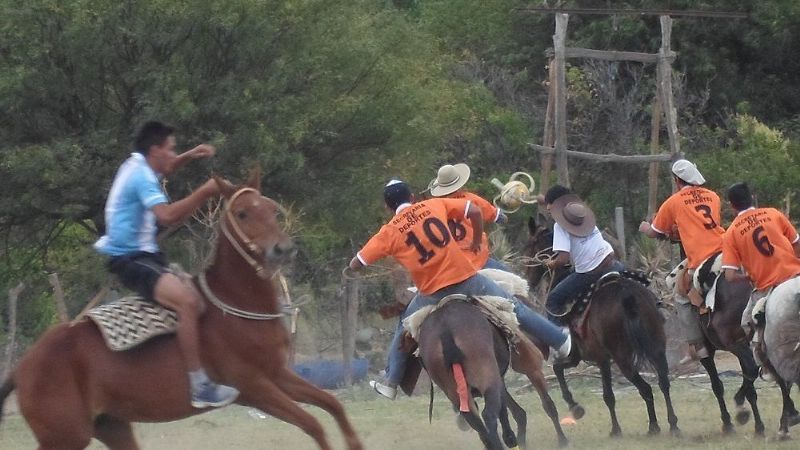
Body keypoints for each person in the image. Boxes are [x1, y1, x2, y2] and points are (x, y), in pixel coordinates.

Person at [350, 180, 570, 400]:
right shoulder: (433, 205)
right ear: (413, 197)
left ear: (388, 208)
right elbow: (474, 210)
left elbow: (358, 262)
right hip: (466, 278)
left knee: (403, 327)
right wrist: (475, 240)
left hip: (431, 292)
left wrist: (354, 268)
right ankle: (559, 341)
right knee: (516, 307)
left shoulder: (387, 233)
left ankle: (391, 382)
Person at [94, 121, 239, 408]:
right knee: (187, 302)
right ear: (155, 150)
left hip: (145, 254)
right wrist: (206, 191)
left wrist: (190, 154)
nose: (174, 155)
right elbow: (167, 216)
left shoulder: (140, 164)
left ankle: (186, 367)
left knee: (197, 303)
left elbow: (168, 167)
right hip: (131, 259)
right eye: (171, 149)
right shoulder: (141, 177)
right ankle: (199, 386)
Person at [639, 159, 724, 362]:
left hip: (701, 257)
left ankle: (697, 346)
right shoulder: (713, 196)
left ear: (677, 180)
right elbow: (700, 227)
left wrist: (645, 227)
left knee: (680, 294)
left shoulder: (673, 202)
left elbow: (655, 232)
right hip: (725, 250)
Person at [721, 182, 800, 377]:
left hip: (768, 287)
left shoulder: (731, 232)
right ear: (752, 198)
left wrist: (747, 275)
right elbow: (797, 244)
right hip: (795, 274)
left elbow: (729, 275)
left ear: (732, 206)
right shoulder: (774, 213)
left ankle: (766, 366)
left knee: (747, 323)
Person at [539, 185, 624, 325]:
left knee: (553, 300)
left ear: (557, 204)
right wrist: (546, 200)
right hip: (610, 261)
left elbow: (563, 259)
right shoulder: (581, 213)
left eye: (550, 203)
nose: (548, 208)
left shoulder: (559, 225)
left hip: (590, 271)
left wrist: (551, 263)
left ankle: (561, 338)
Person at [429, 163, 509, 271]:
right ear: (460, 183)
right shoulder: (472, 199)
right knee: (511, 278)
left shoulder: (435, 206)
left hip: (452, 264)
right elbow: (501, 218)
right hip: (478, 258)